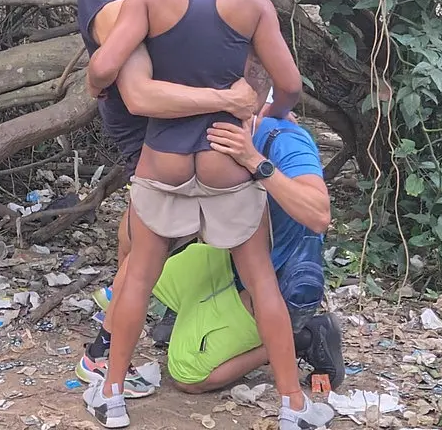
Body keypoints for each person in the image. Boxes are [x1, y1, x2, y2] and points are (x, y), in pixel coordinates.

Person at [84, 0, 333, 429]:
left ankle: (111, 396)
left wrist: (97, 82)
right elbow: (290, 84)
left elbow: (104, 67)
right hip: (226, 157)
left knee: (139, 276)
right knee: (261, 280)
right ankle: (293, 406)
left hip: (164, 158)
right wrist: (265, 116)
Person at [74, 0, 259, 402]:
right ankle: (104, 353)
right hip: (152, 122)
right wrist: (227, 98)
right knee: (150, 240)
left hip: (171, 116)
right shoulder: (114, 7)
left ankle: (115, 324)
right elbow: (141, 96)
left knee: (138, 236)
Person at [85, 109, 344, 394]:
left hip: (276, 279)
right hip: (227, 259)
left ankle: (302, 338)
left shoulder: (281, 139)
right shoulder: (200, 134)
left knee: (187, 373)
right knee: (139, 269)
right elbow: (133, 236)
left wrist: (255, 161)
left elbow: (319, 216)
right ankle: (106, 350)